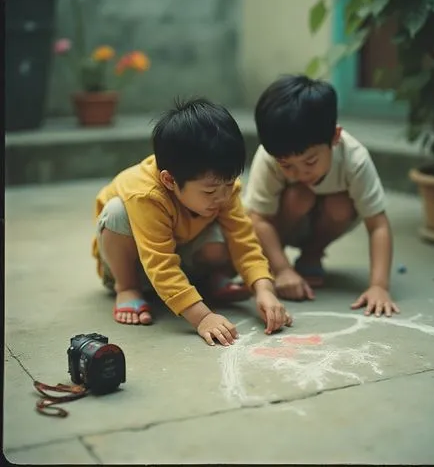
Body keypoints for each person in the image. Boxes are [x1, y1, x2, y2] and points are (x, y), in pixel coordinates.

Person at [92, 98, 293, 345]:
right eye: (209, 192)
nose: (222, 196)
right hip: (139, 265)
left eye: (229, 184)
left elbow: (244, 242)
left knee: (229, 233)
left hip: (185, 255)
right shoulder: (144, 194)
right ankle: (127, 288)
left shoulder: (221, 187)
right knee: (116, 213)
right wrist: (202, 317)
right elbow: (160, 262)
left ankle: (207, 280)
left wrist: (264, 289)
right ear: (169, 180)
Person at [244, 74, 400, 317]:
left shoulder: (354, 159)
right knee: (299, 195)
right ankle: (278, 263)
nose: (299, 172)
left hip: (327, 221)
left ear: (335, 137)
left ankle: (312, 255)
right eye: (287, 165)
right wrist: (282, 269)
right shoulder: (270, 156)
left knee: (340, 205)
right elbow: (258, 219)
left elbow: (377, 223)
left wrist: (379, 286)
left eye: (310, 161)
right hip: (283, 224)